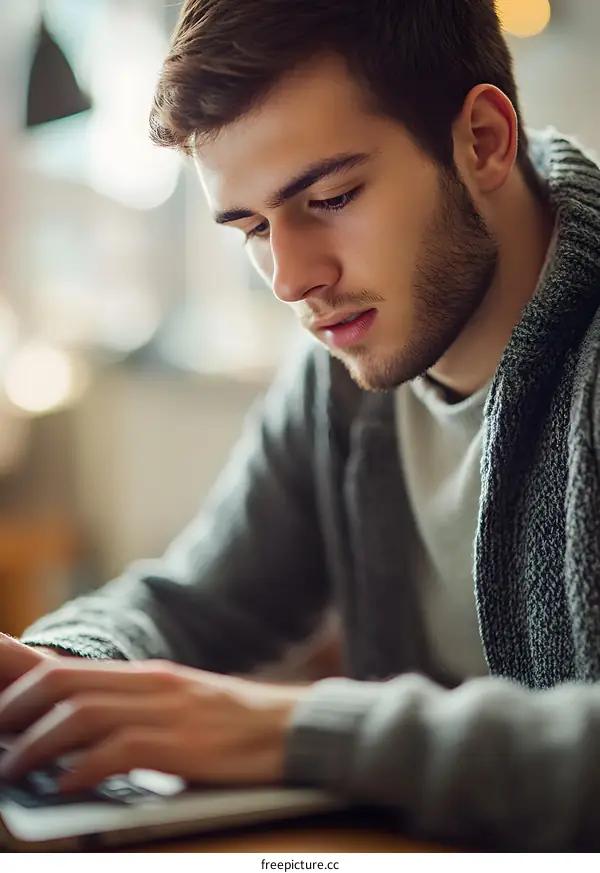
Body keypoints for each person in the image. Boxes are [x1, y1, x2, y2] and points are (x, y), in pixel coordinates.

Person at [1, 0, 600, 851]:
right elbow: (195, 600)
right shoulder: (339, 379)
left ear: (483, 140)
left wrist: (292, 729)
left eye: (330, 196)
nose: (288, 278)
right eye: (251, 228)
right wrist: (59, 676)